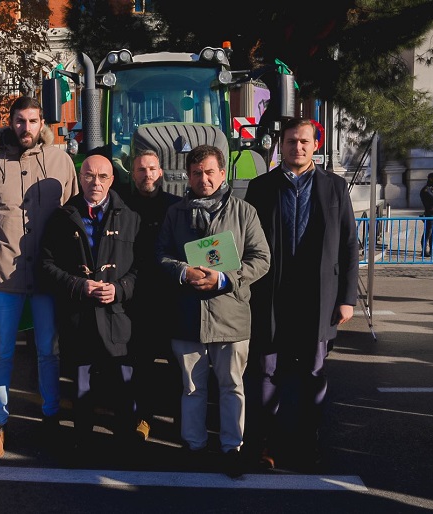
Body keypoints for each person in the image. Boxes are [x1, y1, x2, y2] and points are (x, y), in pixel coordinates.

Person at [0, 96, 79, 459]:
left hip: (47, 277)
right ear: (9, 123)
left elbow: (76, 213)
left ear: (42, 122)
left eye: (32, 121)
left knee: (48, 353)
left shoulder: (61, 160)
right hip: (3, 276)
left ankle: (50, 420)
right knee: (2, 355)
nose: (26, 128)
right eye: (19, 121)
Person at [244, 118, 359, 472]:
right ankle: (265, 444)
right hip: (271, 296)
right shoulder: (261, 187)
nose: (298, 147)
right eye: (292, 141)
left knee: (312, 374)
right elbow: (247, 241)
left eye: (305, 141)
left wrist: (347, 298)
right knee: (266, 372)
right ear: (281, 143)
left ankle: (307, 443)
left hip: (319, 298)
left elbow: (349, 245)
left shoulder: (335, 187)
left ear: (315, 144)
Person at [155, 144, 270, 478]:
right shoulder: (175, 213)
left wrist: (224, 278)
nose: (202, 179)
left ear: (222, 173)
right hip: (187, 317)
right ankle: (194, 447)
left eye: (209, 172)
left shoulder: (244, 212)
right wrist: (181, 270)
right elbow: (159, 254)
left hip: (230, 316)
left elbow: (261, 259)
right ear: (187, 177)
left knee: (232, 386)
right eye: (196, 173)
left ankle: (232, 448)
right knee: (191, 388)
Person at [39, 154, 141, 451]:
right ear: (79, 177)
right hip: (79, 315)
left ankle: (124, 444)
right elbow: (47, 266)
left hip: (117, 314)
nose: (95, 183)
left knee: (123, 383)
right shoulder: (62, 217)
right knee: (81, 384)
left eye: (102, 177)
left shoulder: (131, 217)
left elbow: (141, 268)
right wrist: (78, 284)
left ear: (112, 179)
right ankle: (82, 442)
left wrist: (120, 289)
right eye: (89, 176)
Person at [123, 149, 181, 442]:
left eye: (152, 169)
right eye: (141, 170)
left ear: (161, 172)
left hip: (172, 296)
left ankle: (182, 421)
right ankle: (143, 418)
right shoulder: (123, 207)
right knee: (142, 363)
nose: (147, 174)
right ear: (133, 175)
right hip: (138, 298)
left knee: (178, 364)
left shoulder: (177, 207)